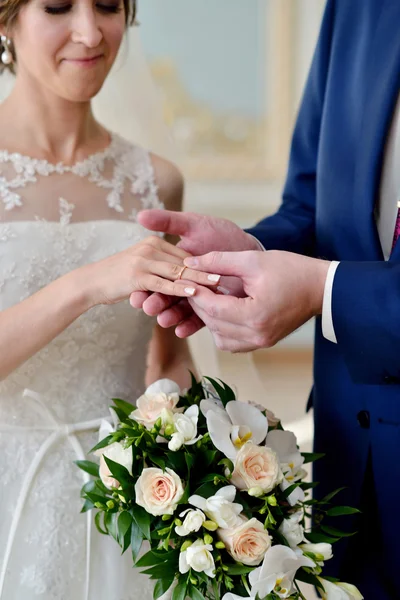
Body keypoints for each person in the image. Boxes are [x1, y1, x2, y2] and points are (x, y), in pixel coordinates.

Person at [133, 1, 400, 597]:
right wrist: (244, 256)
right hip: (349, 474)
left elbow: (321, 275)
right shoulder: (358, 9)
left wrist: (318, 289)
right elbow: (312, 207)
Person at [0, 1, 221, 598]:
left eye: (107, 5)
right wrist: (87, 283)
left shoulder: (156, 181)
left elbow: (169, 354)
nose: (89, 30)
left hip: (125, 518)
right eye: (56, 6)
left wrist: (171, 409)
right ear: (6, 19)